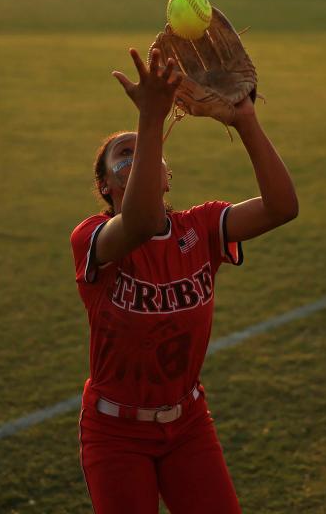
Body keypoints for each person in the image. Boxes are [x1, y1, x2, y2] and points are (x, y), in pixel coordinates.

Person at [70, 47, 298, 513]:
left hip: (188, 424)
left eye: (146, 150)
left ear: (167, 175)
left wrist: (245, 121)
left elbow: (282, 207)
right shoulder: (92, 238)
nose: (138, 154)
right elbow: (137, 223)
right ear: (107, 188)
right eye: (124, 154)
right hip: (115, 433)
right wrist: (150, 121)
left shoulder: (201, 228)